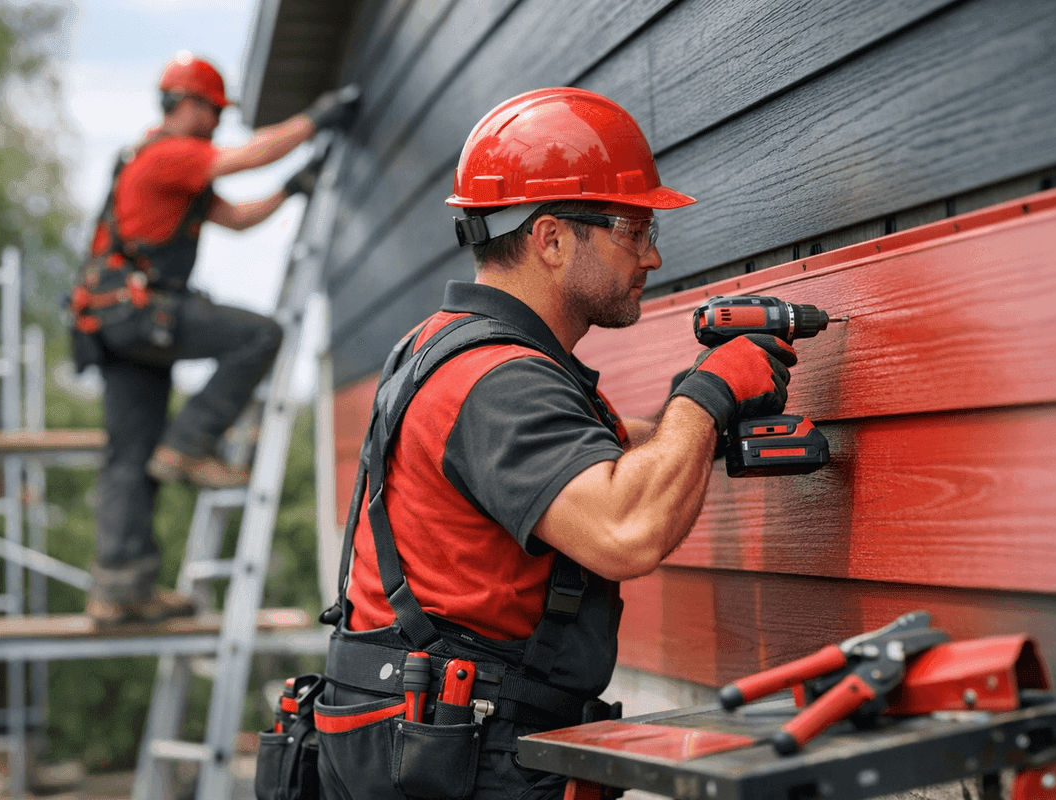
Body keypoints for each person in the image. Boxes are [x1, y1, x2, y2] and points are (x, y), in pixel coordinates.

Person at [313, 87, 798, 799]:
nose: (653, 256)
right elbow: (625, 529)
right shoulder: (498, 380)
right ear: (551, 239)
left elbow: (591, 456)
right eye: (632, 229)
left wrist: (694, 420)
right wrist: (707, 395)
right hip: (464, 758)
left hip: (426, 738)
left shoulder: (448, 347)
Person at [68, 52, 359, 625]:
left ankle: (119, 591)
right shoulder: (171, 154)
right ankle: (192, 444)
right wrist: (317, 120)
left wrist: (291, 189)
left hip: (115, 321)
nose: (219, 120)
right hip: (136, 311)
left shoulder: (171, 166)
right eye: (213, 108)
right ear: (187, 103)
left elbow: (243, 217)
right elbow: (248, 156)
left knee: (132, 457)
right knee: (260, 336)